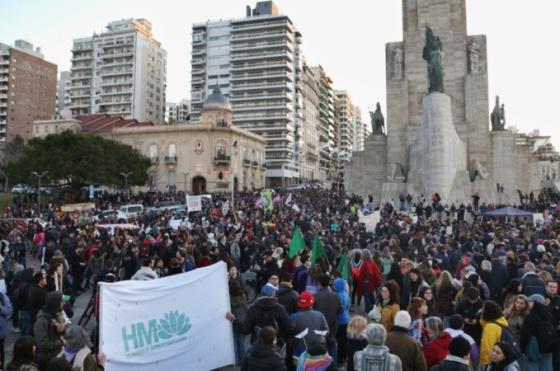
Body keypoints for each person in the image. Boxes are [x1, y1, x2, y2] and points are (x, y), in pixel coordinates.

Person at [290, 291, 329, 362]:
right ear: (312, 302)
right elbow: (327, 332)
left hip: (299, 352)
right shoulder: (320, 315)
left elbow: (289, 334)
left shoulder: (293, 317)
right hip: (317, 350)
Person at [521, 294, 556, 370]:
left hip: (534, 348)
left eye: (530, 301)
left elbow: (525, 335)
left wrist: (522, 349)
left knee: (532, 367)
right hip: (548, 347)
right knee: (547, 367)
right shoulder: (548, 314)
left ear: (535, 303)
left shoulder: (531, 316)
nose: (528, 303)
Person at [313, 274, 342, 364]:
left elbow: (312, 311)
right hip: (332, 325)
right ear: (329, 283)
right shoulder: (336, 295)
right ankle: (333, 365)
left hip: (319, 326)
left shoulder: (315, 296)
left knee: (320, 347)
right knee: (332, 345)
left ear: (319, 283)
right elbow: (340, 310)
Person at [33, 292, 66, 369]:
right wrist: (61, 342)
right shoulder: (41, 321)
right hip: (47, 360)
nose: (64, 303)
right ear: (56, 303)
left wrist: (62, 331)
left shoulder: (55, 314)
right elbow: (43, 345)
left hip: (56, 356)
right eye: (61, 302)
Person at [480, 300, 509, 369]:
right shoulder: (502, 321)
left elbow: (487, 347)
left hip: (491, 362)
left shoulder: (490, 327)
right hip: (501, 359)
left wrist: (484, 364)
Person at [333, 278, 350, 367]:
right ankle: (344, 356)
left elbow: (338, 309)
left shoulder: (338, 295)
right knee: (344, 340)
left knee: (339, 341)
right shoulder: (345, 294)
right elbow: (348, 306)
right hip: (346, 319)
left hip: (339, 320)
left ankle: (339, 359)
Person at [0, 291, 13, 369]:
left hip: (1, 331)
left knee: (1, 351)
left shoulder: (2, 296)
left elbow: (10, 310)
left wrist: (1, 308)